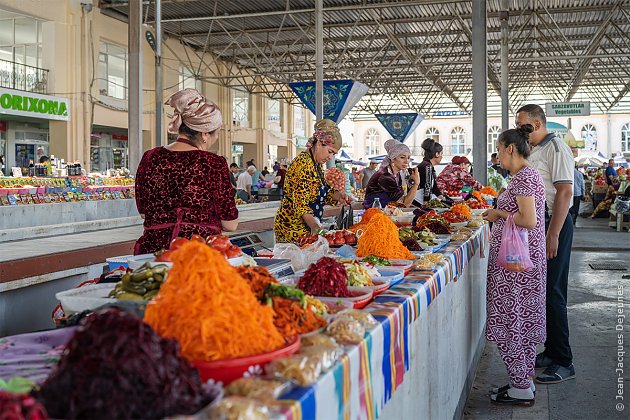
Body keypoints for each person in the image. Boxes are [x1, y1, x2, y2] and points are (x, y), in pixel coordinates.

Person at [482, 124, 547, 406]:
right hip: (520, 263)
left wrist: (496, 213)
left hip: (517, 267)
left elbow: (528, 220)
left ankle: (521, 386)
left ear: (510, 148)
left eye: (498, 150)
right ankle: (522, 381)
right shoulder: (525, 177)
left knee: (513, 321)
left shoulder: (523, 179)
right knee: (519, 321)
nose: (497, 156)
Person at [134, 88, 238, 255]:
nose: (216, 138)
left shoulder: (150, 158)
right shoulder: (213, 163)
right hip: (199, 255)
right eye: (216, 133)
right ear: (204, 134)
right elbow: (230, 224)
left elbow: (144, 213)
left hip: (155, 254)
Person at [515, 104, 575, 384]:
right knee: (544, 288)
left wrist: (553, 234)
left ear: (537, 124)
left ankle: (564, 361)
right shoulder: (534, 149)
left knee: (554, 291)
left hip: (555, 224)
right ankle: (551, 351)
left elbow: (564, 193)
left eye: (522, 125)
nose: (519, 130)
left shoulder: (557, 148)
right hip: (542, 225)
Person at [274, 119, 351, 243]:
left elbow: (319, 193)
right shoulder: (302, 164)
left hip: (307, 228)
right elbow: (301, 205)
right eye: (330, 152)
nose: (331, 157)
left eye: (334, 154)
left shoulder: (316, 165)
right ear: (319, 144)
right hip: (293, 230)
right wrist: (315, 227)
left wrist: (339, 196)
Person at [363, 138, 419, 208]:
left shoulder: (397, 174)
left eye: (408, 158)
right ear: (393, 158)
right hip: (375, 214)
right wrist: (416, 183)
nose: (406, 161)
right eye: (402, 157)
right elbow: (404, 204)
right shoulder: (385, 176)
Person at [417, 138, 444, 203]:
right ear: (437, 154)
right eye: (441, 154)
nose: (442, 156)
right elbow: (427, 186)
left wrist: (440, 195)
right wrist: (426, 202)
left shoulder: (427, 165)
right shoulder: (427, 166)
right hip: (419, 202)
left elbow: (434, 186)